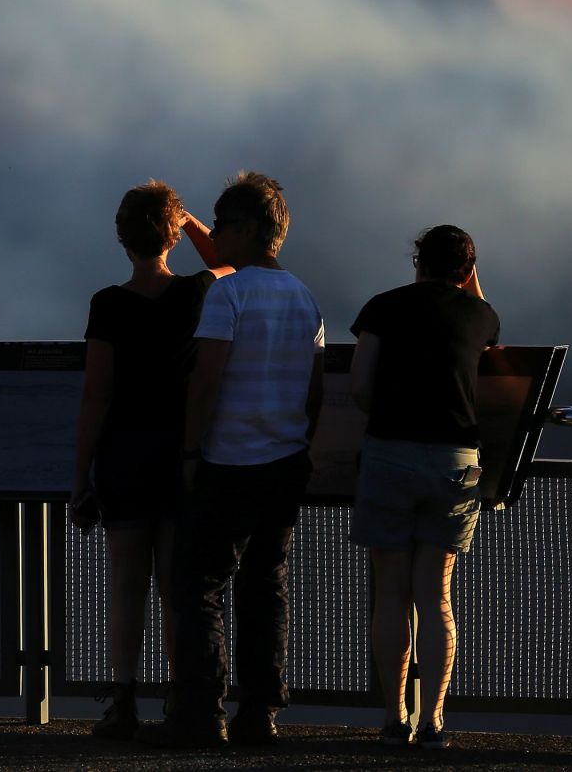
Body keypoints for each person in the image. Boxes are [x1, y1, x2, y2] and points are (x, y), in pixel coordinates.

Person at [149, 171, 325, 749]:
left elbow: (207, 378)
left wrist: (192, 449)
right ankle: (261, 714)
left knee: (199, 583)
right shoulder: (304, 297)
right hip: (286, 459)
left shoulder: (228, 294)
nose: (216, 235)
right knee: (265, 584)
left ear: (247, 229)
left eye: (222, 225)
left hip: (228, 460)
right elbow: (315, 386)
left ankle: (200, 713)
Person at [69, 180, 229, 740]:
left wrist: (79, 475)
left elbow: (97, 395)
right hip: (182, 455)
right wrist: (187, 220)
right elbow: (235, 260)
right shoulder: (197, 292)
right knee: (175, 585)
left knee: (126, 583)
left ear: (121, 239)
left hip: (123, 456)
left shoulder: (107, 305)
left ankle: (123, 700)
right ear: (171, 236)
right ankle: (178, 698)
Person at [348, 224, 499, 751]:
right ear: (468, 269)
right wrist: (471, 281)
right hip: (456, 463)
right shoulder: (480, 315)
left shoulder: (383, 307)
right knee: (435, 596)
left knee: (391, 592)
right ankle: (433, 721)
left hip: (391, 451)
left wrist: (386, 420)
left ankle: (395, 718)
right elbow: (486, 327)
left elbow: (360, 384)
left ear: (418, 262)